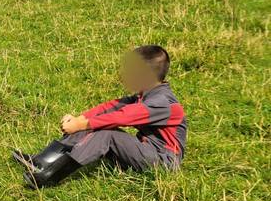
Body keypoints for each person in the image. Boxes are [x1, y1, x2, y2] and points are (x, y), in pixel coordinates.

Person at [12, 45, 187, 189]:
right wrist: (79, 119)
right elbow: (110, 108)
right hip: (146, 153)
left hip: (163, 164)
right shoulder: (144, 95)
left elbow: (122, 117)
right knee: (95, 125)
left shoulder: (163, 103)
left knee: (107, 134)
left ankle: (50, 177)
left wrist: (81, 125)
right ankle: (41, 161)